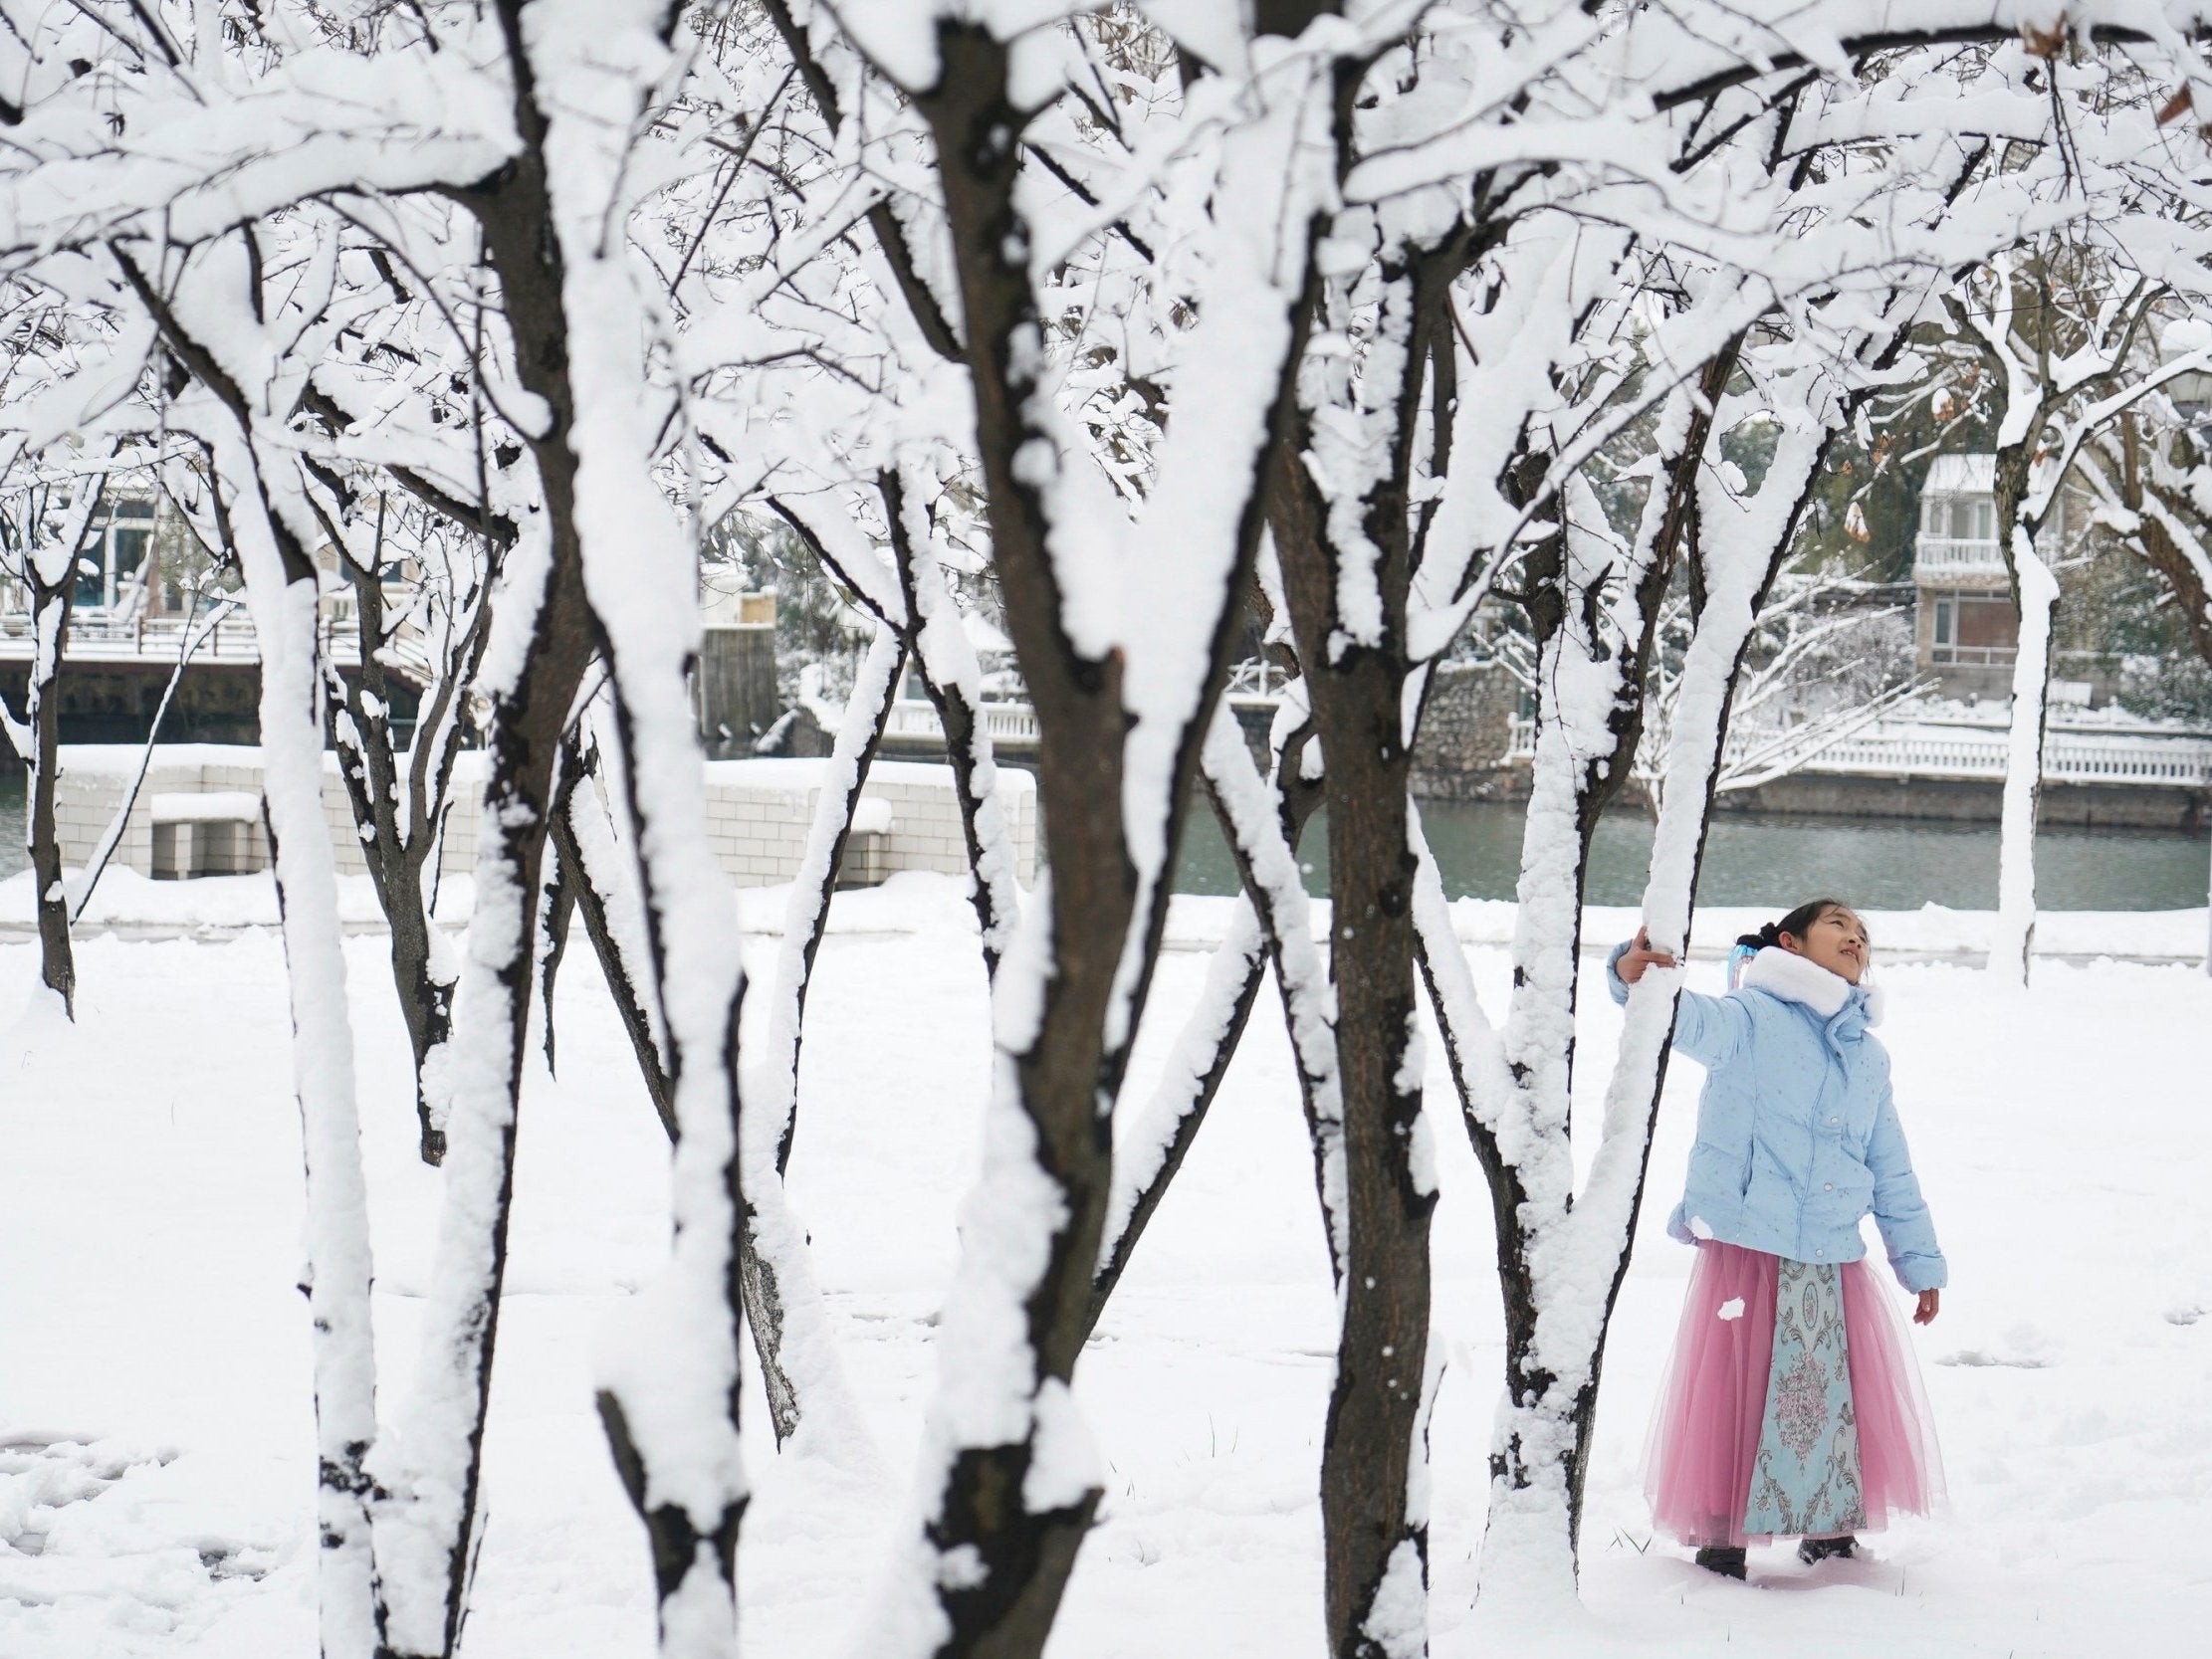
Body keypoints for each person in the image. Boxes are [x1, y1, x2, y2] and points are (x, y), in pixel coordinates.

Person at [1611, 899, 1946, 1581]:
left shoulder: (1867, 1056)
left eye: (1864, 932)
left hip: (1832, 1251)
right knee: (1742, 1388)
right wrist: (1632, 972)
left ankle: (1828, 1529)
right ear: (1790, 943)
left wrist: (1918, 1259)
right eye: (1839, 925)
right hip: (1751, 1242)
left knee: (1831, 1392)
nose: (1856, 937)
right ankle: (1723, 1533)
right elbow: (1681, 1018)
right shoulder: (1749, 1017)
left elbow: (1891, 1165)